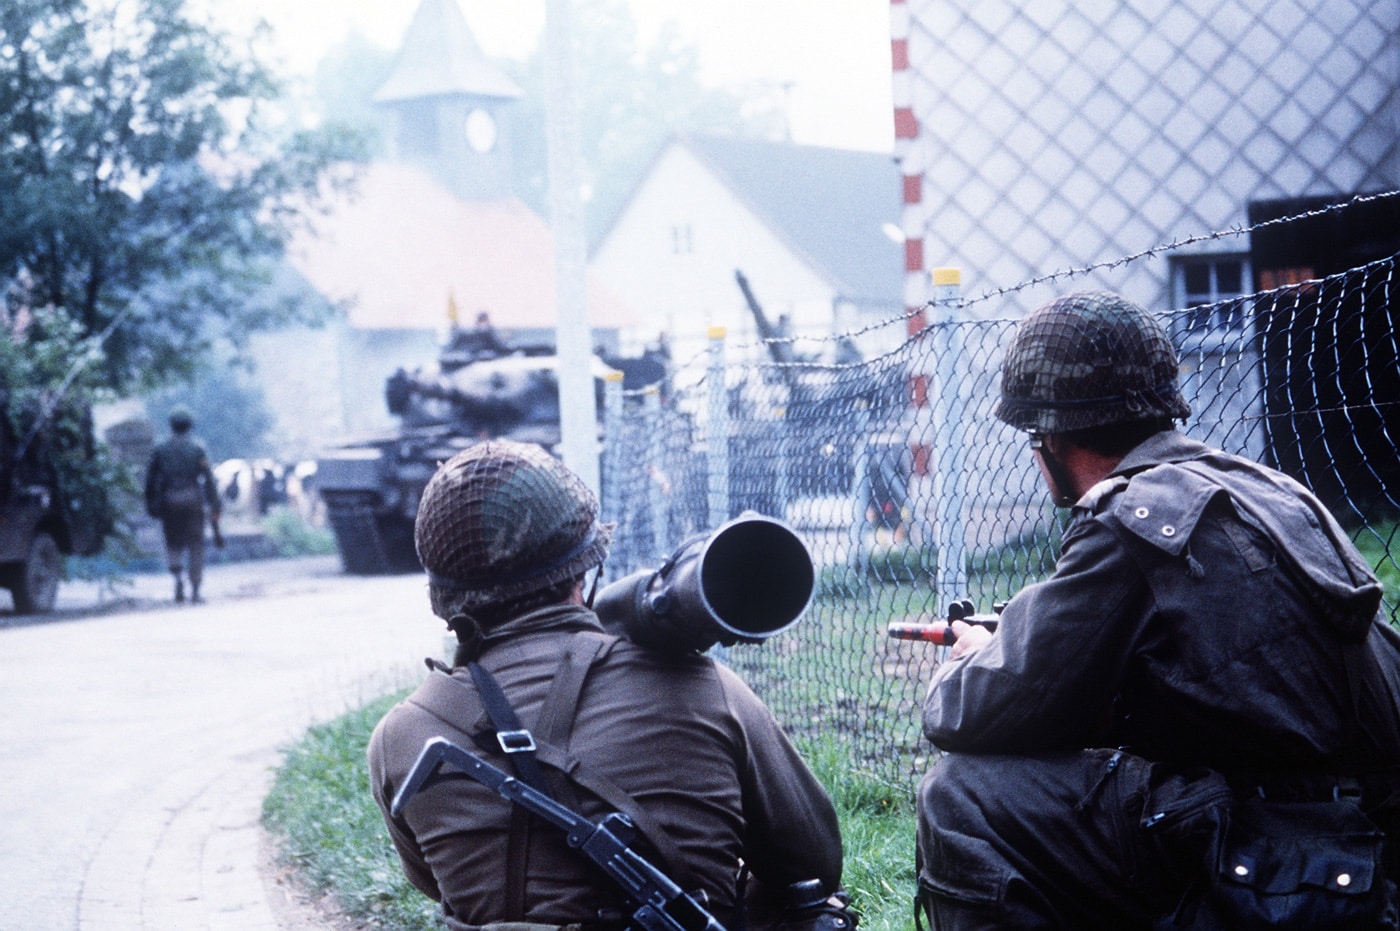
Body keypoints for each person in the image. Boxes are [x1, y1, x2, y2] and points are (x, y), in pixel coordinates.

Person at [915, 291, 1400, 929]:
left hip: (1285, 857)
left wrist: (974, 657)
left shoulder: (1130, 521)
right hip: (1367, 836)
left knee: (962, 794)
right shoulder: (1270, 491)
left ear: (1049, 438)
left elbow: (972, 714)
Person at [367, 439, 847, 931]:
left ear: (446, 602)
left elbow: (434, 883)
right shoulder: (710, 690)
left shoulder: (401, 738)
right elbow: (815, 864)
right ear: (582, 572)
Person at [144, 406, 222, 604]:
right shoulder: (197, 449)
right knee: (195, 544)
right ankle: (195, 590)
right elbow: (209, 480)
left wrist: (151, 504)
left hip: (169, 499)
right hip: (192, 498)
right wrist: (215, 504)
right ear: (189, 426)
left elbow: (150, 480)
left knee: (173, 542)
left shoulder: (160, 449)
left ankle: (178, 577)